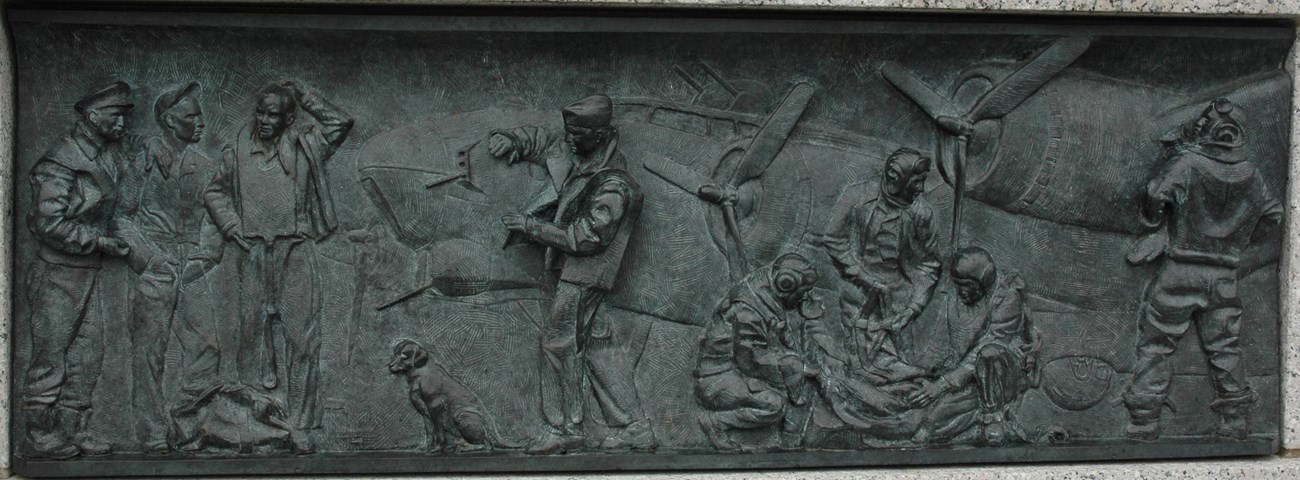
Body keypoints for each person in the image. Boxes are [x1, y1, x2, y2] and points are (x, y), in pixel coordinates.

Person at [488, 94, 650, 454]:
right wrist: (513, 139)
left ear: (603, 133)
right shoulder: (578, 149)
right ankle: (634, 428)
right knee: (599, 348)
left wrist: (533, 227)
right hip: (571, 273)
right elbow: (546, 141)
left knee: (558, 346)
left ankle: (565, 428)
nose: (571, 139)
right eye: (569, 131)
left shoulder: (614, 185)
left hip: (583, 275)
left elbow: (586, 238)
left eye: (579, 133)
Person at [204, 80, 353, 454]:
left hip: (295, 251)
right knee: (251, 339)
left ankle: (300, 425)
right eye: (260, 112)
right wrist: (230, 225)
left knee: (302, 340)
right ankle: (256, 422)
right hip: (252, 253)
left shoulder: (306, 145)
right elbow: (214, 191)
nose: (264, 120)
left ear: (289, 119)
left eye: (273, 115)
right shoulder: (237, 148)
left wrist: (305, 95)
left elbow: (341, 123)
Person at [1122, 98, 1282, 441]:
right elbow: (1273, 216)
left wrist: (1155, 221)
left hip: (1180, 270)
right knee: (1225, 348)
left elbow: (1154, 193)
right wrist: (1238, 242)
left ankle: (1144, 422)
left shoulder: (1189, 163)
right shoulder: (1251, 174)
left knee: (1156, 345)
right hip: (1224, 275)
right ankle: (1235, 422)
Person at [23, 81, 135, 459]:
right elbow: (46, 224)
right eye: (116, 114)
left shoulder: (106, 157)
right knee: (51, 356)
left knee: (89, 354)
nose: (123, 123)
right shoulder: (60, 161)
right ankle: (40, 435)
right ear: (92, 115)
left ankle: (73, 427)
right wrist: (100, 242)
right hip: (57, 274)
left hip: (87, 271)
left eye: (126, 115)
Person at [116, 82, 224, 454]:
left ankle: (187, 423)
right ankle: (151, 433)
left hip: (191, 264)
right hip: (156, 263)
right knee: (150, 352)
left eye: (200, 115)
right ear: (168, 119)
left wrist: (206, 257)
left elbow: (215, 218)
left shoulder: (205, 165)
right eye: (192, 116)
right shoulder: (145, 157)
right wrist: (147, 259)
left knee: (207, 347)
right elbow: (122, 217)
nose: (200, 122)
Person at [819, 147, 940, 384]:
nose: (921, 189)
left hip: (900, 298)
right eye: (916, 182)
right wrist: (861, 277)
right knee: (859, 363)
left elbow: (929, 264)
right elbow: (832, 238)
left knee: (903, 368)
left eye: (923, 181)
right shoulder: (856, 197)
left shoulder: (921, 213)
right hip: (858, 294)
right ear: (896, 178)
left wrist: (913, 308)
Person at [906, 247, 1037, 446]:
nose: (962, 291)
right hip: (971, 379)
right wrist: (919, 372)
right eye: (959, 285)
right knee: (928, 427)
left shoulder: (1007, 296)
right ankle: (974, 416)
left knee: (989, 353)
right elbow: (939, 343)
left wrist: (942, 384)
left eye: (967, 286)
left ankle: (993, 419)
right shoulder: (954, 298)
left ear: (983, 280)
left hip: (1003, 374)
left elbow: (985, 347)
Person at [694, 253, 825, 450]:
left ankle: (791, 443)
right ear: (786, 284)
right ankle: (716, 422)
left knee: (798, 380)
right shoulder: (748, 309)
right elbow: (750, 359)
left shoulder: (767, 298)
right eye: (803, 291)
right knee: (774, 404)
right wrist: (799, 366)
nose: (806, 296)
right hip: (717, 378)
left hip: (746, 373)